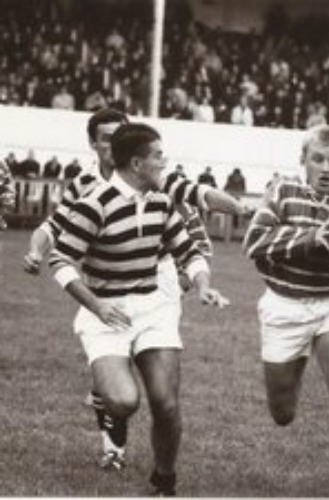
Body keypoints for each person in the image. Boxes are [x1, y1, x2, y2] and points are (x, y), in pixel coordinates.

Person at [23, 108, 244, 471]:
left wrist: (204, 282)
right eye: (106, 138)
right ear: (96, 145)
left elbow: (194, 220)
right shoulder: (89, 193)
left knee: (166, 401)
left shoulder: (159, 190)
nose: (113, 143)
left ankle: (164, 483)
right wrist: (92, 301)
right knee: (124, 399)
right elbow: (58, 246)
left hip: (155, 292)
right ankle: (110, 390)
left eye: (119, 135)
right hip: (106, 300)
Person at [243, 125, 329, 498]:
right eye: (318, 159)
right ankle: (298, 360)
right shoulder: (282, 192)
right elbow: (253, 243)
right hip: (283, 307)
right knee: (282, 413)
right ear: (303, 160)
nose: (325, 168)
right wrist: (311, 239)